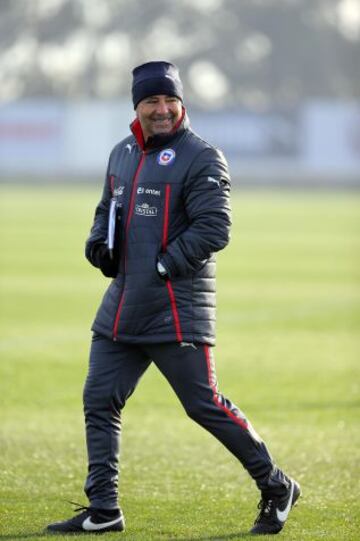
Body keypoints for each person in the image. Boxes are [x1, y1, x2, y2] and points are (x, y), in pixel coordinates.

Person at [47, 61, 300, 536]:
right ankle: (103, 509)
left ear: (182, 103)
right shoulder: (122, 153)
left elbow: (215, 227)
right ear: (137, 107)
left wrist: (165, 264)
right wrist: (97, 245)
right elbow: (107, 210)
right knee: (99, 401)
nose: (161, 110)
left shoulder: (202, 156)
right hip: (122, 305)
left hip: (174, 310)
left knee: (204, 405)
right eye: (151, 102)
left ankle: (276, 484)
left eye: (169, 101)